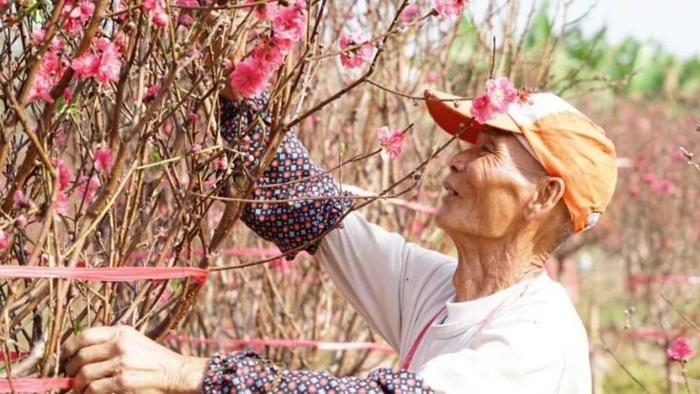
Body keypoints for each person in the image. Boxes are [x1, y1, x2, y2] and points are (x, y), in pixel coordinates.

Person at [60, 84, 617, 393]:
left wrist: (186, 373)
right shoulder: (439, 289)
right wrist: (244, 81)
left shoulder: (536, 338)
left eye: (486, 151)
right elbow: (309, 209)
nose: (457, 160)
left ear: (544, 196)